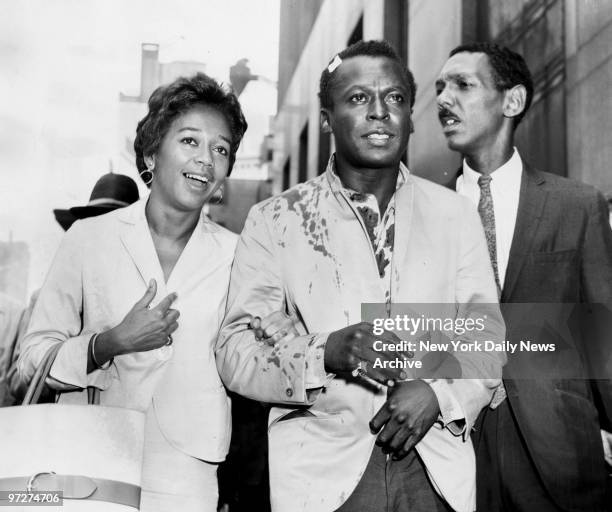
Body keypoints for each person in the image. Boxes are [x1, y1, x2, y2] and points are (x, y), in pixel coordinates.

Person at [216, 40, 505, 512]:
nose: (379, 113)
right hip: (321, 480)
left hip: (435, 470)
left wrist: (440, 395)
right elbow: (235, 349)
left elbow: (487, 334)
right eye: (357, 99)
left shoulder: (455, 215)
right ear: (326, 117)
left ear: (412, 117)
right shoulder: (276, 219)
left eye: (394, 98)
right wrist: (325, 352)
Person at [17, 73, 293, 512]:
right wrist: (109, 343)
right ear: (151, 153)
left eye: (220, 149)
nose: (206, 159)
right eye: (189, 141)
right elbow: (31, 358)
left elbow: (250, 363)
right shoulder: (89, 239)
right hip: (90, 460)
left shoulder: (240, 254)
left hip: (189, 475)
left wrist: (274, 342)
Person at [436, 42, 612, 511]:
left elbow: (603, 339)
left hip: (558, 455)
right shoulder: (422, 213)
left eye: (462, 85)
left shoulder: (576, 205)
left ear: (511, 102)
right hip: (451, 448)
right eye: (439, 88)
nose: (443, 99)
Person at [6, 172, 140, 404]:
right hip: (64, 427)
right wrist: (74, 359)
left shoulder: (145, 299)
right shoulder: (48, 297)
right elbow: (19, 381)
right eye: (96, 226)